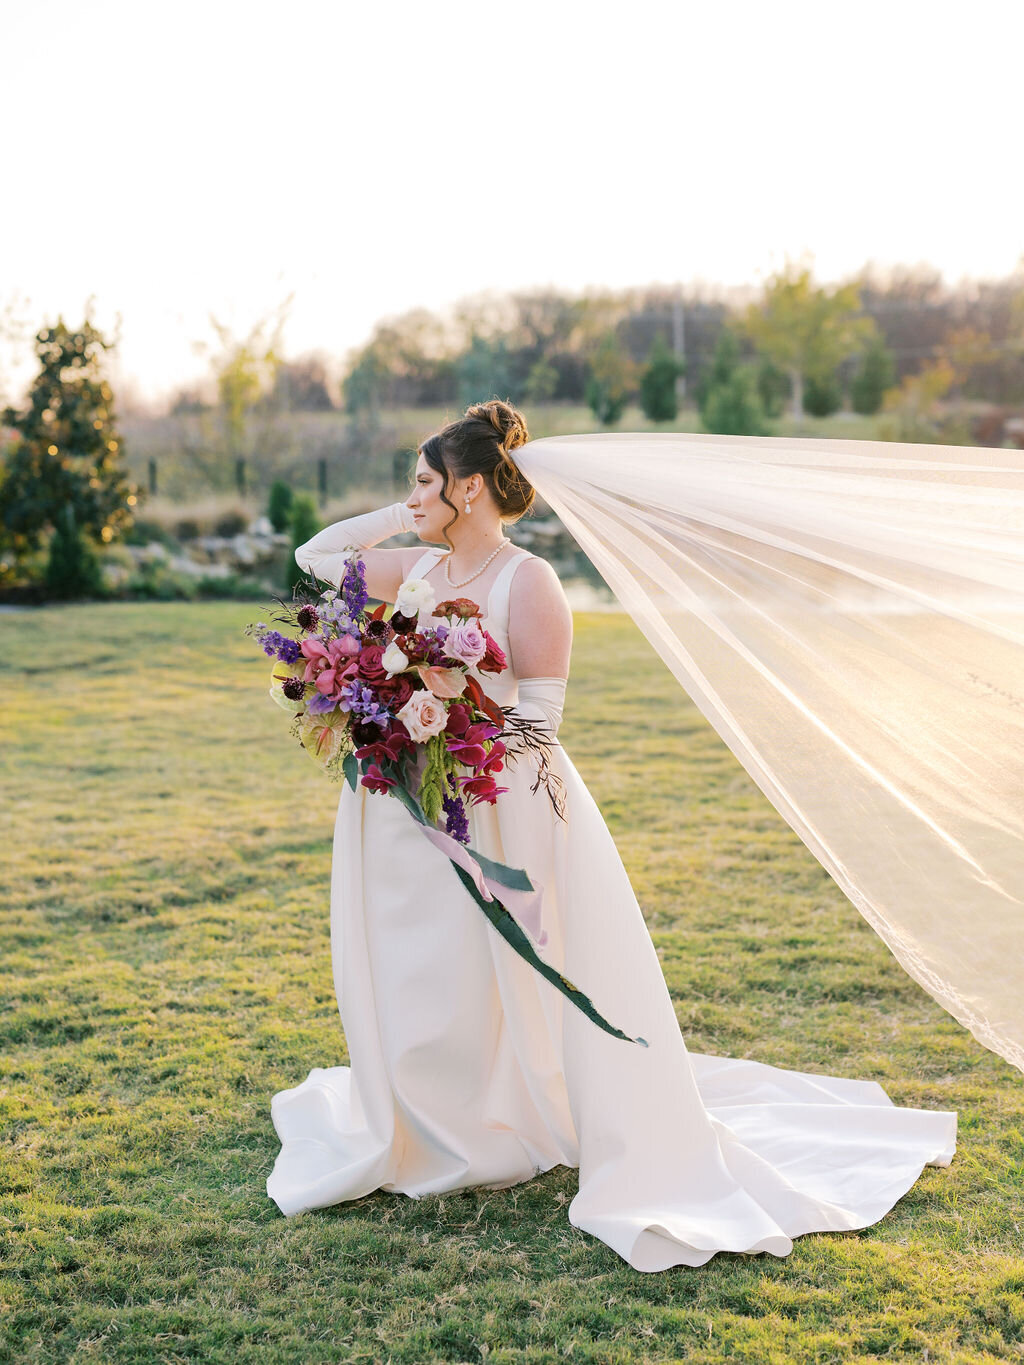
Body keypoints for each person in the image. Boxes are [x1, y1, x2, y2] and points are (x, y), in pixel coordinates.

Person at [265, 398, 957, 1272]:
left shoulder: (529, 581)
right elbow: (318, 558)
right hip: (418, 796)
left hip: (505, 795)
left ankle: (519, 1106)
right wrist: (396, 528)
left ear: (470, 488)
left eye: (425, 481)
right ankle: (448, 1115)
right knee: (430, 965)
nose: (413, 496)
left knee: (516, 963)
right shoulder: (422, 569)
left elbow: (543, 718)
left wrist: (447, 723)